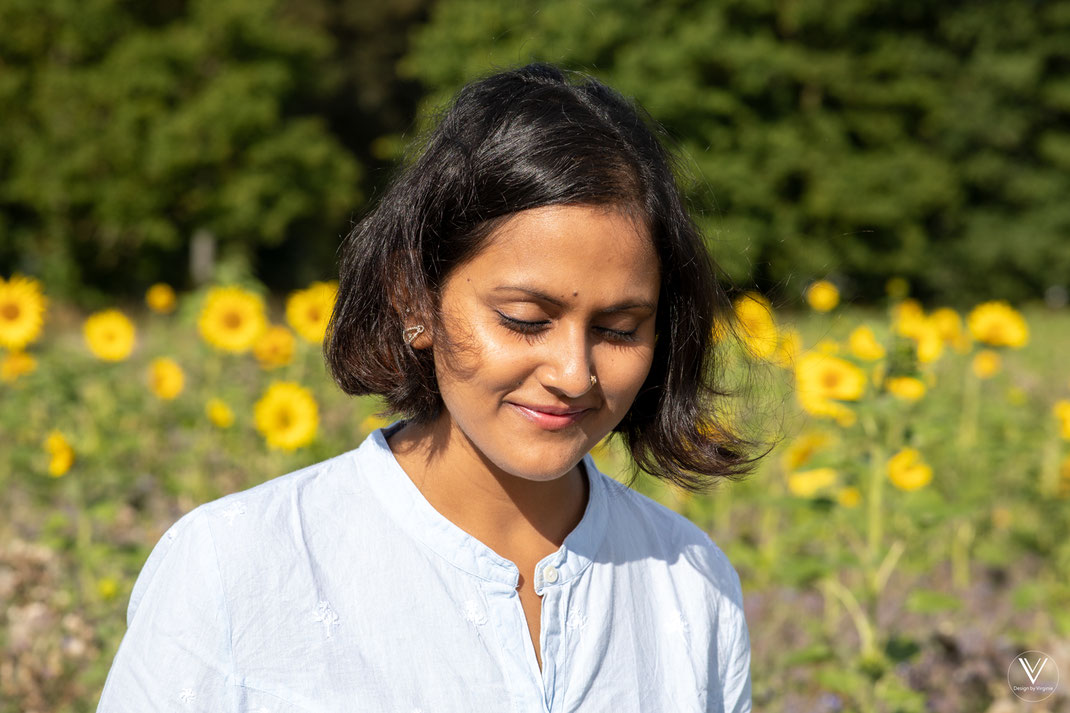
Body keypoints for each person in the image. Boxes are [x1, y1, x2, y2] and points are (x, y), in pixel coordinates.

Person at [96, 62, 760, 712]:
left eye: (619, 329)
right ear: (414, 297)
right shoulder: (236, 566)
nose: (572, 373)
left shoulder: (690, 583)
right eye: (525, 320)